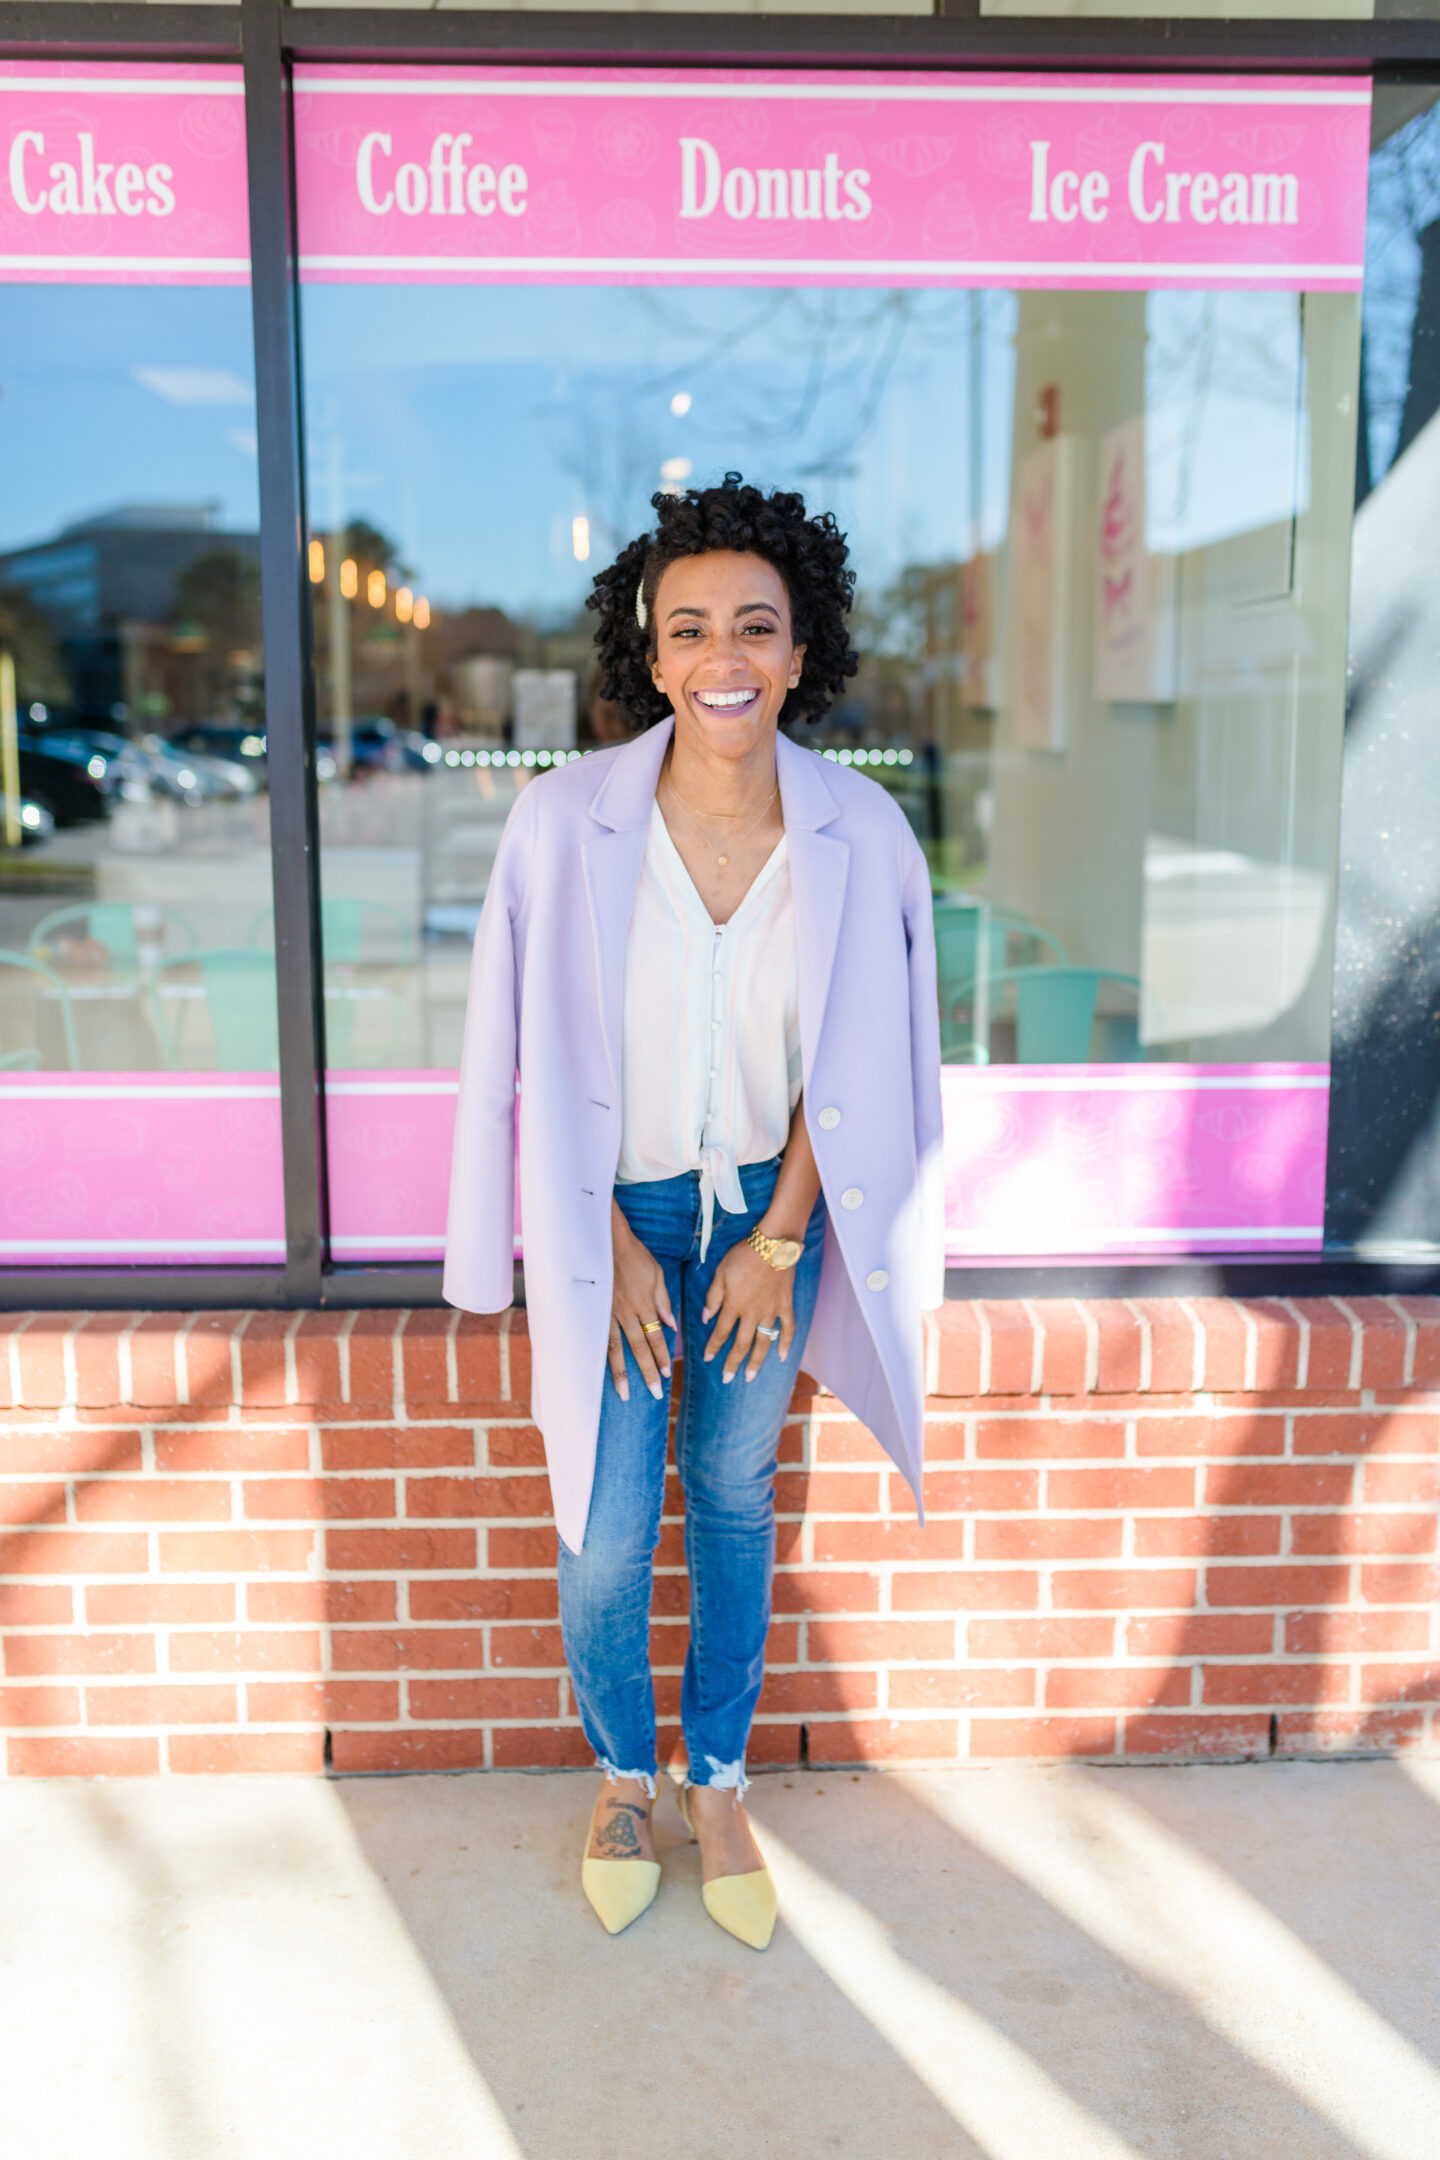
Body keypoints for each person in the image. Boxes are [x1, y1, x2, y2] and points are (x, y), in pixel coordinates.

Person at [444, 474, 944, 1950]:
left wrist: (781, 1242)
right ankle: (619, 1775)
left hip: (763, 1225)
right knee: (606, 1530)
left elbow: (871, 1068)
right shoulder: (561, 823)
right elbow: (525, 1052)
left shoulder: (863, 833)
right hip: (620, 1216)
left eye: (755, 626)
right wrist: (595, 1234)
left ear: (800, 653)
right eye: (689, 629)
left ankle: (716, 1782)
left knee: (731, 1505)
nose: (722, 654)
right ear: (650, 657)